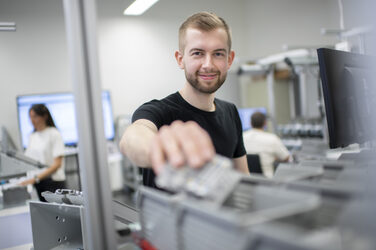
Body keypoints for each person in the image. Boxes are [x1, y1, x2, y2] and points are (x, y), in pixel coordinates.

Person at [119, 11, 249, 189]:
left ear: (229, 59)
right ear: (180, 60)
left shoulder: (230, 111)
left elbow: (242, 179)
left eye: (218, 54)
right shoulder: (158, 111)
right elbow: (132, 139)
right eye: (198, 53)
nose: (208, 64)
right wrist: (161, 149)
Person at [20, 104, 66, 201]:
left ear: (44, 116)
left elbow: (57, 164)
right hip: (39, 182)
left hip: (53, 182)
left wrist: (36, 178)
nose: (32, 120)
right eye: (30, 117)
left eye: (35, 116)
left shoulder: (54, 133)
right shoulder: (32, 136)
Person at [243, 112, 290, 178]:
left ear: (250, 123)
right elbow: (286, 158)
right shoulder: (272, 138)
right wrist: (274, 158)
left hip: (245, 180)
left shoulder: (240, 138)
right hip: (267, 182)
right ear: (265, 123)